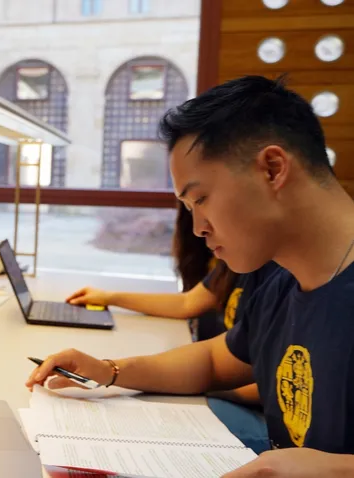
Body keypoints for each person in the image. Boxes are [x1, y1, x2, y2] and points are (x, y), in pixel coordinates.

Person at [27, 75, 354, 476]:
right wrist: (109, 371)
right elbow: (214, 361)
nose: (198, 228)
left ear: (272, 169)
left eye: (201, 199)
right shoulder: (281, 283)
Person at [68, 204, 277, 453]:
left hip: (257, 417)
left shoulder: (277, 277)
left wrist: (205, 390)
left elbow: (271, 388)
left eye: (202, 199)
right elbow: (188, 305)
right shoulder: (243, 265)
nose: (199, 229)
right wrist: (109, 300)